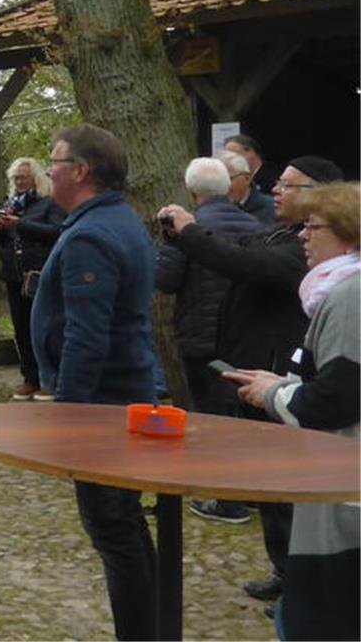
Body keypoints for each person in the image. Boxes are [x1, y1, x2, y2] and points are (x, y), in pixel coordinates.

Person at [159, 153, 342, 603]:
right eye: (277, 182)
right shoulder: (281, 232)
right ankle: (286, 572)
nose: (276, 190)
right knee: (272, 487)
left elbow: (247, 266)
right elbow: (239, 254)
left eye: (290, 184)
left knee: (289, 487)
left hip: (285, 377)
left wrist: (188, 231)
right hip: (260, 370)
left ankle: (300, 582)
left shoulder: (318, 252)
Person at [30, 125, 159, 642]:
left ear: (80, 171)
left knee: (114, 529)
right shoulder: (114, 220)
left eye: (54, 162)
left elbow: (88, 335)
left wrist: (70, 416)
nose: (48, 171)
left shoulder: (91, 234)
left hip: (105, 406)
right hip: (119, 397)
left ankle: (141, 633)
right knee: (123, 525)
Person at [223, 182, 359, 642]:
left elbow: (337, 399)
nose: (302, 236)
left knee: (319, 620)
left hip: (343, 499)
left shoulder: (349, 297)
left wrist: (273, 393)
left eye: (313, 226)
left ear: (350, 234)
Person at [153, 157, 264, 524]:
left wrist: (165, 242)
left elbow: (167, 279)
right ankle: (252, 492)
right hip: (246, 337)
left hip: (201, 336)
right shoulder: (257, 224)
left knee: (212, 418)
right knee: (246, 417)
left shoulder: (188, 229)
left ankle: (225, 499)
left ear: (191, 191)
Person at [0, 157, 66, 400]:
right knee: (21, 329)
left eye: (23, 177)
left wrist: (20, 224)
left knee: (44, 329)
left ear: (36, 178)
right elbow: (0, 242)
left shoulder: (49, 203)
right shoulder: (11, 205)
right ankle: (29, 378)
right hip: (14, 275)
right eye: (15, 178)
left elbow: (56, 232)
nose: (19, 182)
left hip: (39, 274)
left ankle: (50, 379)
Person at [222, 133, 279, 222]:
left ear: (251, 152)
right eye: (226, 155)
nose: (228, 159)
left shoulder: (272, 178)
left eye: (233, 155)